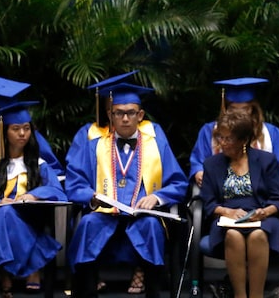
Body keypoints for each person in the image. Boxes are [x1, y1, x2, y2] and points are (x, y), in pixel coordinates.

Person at [66, 74, 188, 298]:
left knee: (152, 226)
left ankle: (153, 292)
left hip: (142, 216)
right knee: (87, 224)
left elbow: (179, 182)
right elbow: (75, 181)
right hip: (104, 216)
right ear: (110, 115)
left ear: (140, 115)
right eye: (119, 113)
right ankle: (87, 291)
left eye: (130, 113)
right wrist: (91, 197)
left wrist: (157, 198)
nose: (124, 118)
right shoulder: (95, 146)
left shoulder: (156, 144)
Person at [0, 94, 67, 297]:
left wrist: (34, 196)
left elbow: (58, 192)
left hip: (29, 220)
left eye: (26, 128)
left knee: (5, 213)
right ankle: (29, 271)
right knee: (4, 212)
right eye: (16, 129)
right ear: (4, 132)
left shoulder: (39, 165)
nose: (22, 134)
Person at [199, 107, 279, 298]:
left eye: (228, 138)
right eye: (219, 138)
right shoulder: (211, 164)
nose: (222, 143)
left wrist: (264, 212)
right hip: (226, 220)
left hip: (263, 217)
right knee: (233, 235)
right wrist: (227, 212)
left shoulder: (266, 160)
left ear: (244, 140)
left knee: (257, 235)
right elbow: (208, 203)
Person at [189, 77, 279, 188]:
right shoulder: (209, 131)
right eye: (233, 108)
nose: (239, 114)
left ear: (253, 108)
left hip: (264, 196)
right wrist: (199, 172)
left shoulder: (270, 132)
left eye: (245, 108)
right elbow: (199, 161)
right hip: (220, 194)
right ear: (225, 108)